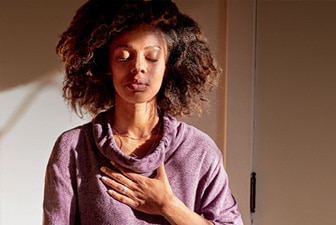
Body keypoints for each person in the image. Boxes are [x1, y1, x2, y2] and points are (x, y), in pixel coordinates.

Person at [43, 0, 243, 224]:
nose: (138, 67)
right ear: (106, 64)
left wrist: (167, 205)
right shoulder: (74, 148)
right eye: (124, 56)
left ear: (168, 66)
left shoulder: (200, 150)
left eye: (152, 57)